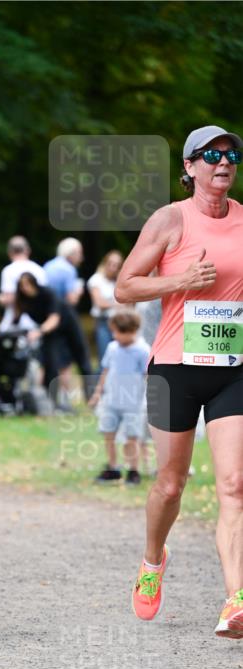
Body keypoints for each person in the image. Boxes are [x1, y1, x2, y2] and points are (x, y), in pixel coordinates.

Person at [116, 124, 243, 638]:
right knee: (171, 484)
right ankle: (152, 560)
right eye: (212, 154)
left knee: (235, 485)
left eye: (232, 155)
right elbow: (126, 286)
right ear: (189, 167)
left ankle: (236, 599)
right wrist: (179, 282)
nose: (224, 162)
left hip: (233, 368)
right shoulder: (170, 219)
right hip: (174, 367)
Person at [89, 308, 150, 485]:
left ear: (131, 331)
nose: (115, 336)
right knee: (109, 434)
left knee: (132, 437)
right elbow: (106, 371)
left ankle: (133, 470)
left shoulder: (142, 350)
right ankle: (113, 467)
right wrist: (97, 394)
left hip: (132, 403)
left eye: (117, 332)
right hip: (111, 401)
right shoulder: (112, 348)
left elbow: (147, 375)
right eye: (113, 332)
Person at [12, 272, 77, 409]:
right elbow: (15, 319)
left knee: (59, 364)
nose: (25, 288)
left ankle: (62, 400)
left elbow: (54, 319)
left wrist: (39, 331)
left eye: (27, 284)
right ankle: (45, 399)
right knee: (43, 365)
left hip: (61, 330)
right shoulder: (22, 300)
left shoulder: (47, 294)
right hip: (43, 336)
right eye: (22, 285)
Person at [43, 237, 94, 400]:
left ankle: (52, 396)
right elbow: (71, 298)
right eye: (79, 253)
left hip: (49, 316)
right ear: (70, 253)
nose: (81, 257)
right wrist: (78, 293)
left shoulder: (48, 266)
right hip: (66, 316)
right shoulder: (69, 270)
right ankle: (84, 395)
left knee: (54, 356)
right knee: (77, 355)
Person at [0, 236, 47, 331]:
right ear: (28, 250)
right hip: (37, 323)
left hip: (15, 324)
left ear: (10, 252)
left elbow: (10, 298)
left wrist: (0, 298)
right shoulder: (39, 270)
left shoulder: (8, 271)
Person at [87, 250, 124, 363]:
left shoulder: (117, 281)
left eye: (116, 265)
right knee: (105, 359)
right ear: (105, 263)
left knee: (118, 359)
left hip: (119, 322)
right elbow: (99, 303)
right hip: (103, 323)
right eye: (111, 263)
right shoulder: (96, 280)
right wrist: (116, 304)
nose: (113, 267)